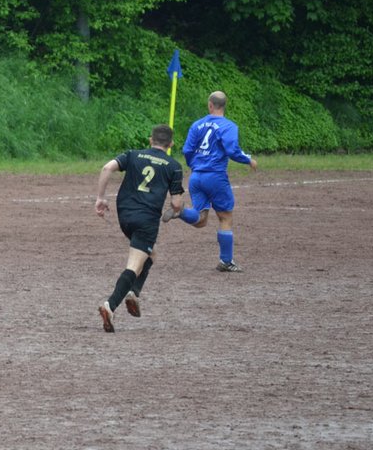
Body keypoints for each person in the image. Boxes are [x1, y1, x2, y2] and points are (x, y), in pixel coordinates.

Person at [95, 124, 185, 333]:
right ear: (170, 144)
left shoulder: (133, 155)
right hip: (146, 220)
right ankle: (110, 305)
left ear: (149, 140)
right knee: (135, 266)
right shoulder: (173, 166)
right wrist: (174, 212)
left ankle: (133, 293)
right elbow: (177, 204)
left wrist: (100, 198)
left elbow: (107, 168)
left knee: (150, 254)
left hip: (125, 216)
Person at [162, 91, 258, 272]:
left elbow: (187, 150)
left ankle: (181, 212)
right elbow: (232, 150)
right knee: (225, 217)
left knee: (201, 220)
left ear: (210, 105)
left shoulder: (197, 125)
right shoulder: (228, 126)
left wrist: (195, 166)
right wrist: (248, 160)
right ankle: (226, 261)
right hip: (216, 177)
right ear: (224, 105)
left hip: (196, 177)